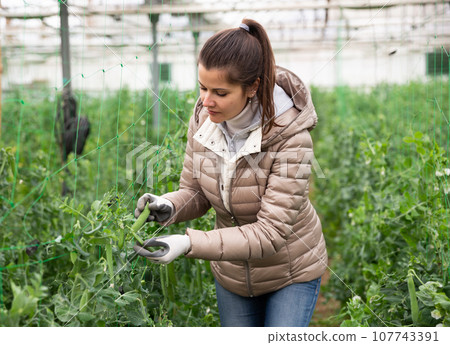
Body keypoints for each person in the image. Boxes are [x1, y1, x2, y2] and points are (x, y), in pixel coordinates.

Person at [134, 18, 328, 327]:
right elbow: (196, 190)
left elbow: (270, 234)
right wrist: (169, 205)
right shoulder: (203, 120)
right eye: (202, 87)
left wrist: (187, 243)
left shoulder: (291, 137)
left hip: (291, 271)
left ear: (252, 87)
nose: (205, 101)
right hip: (232, 273)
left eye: (220, 93)